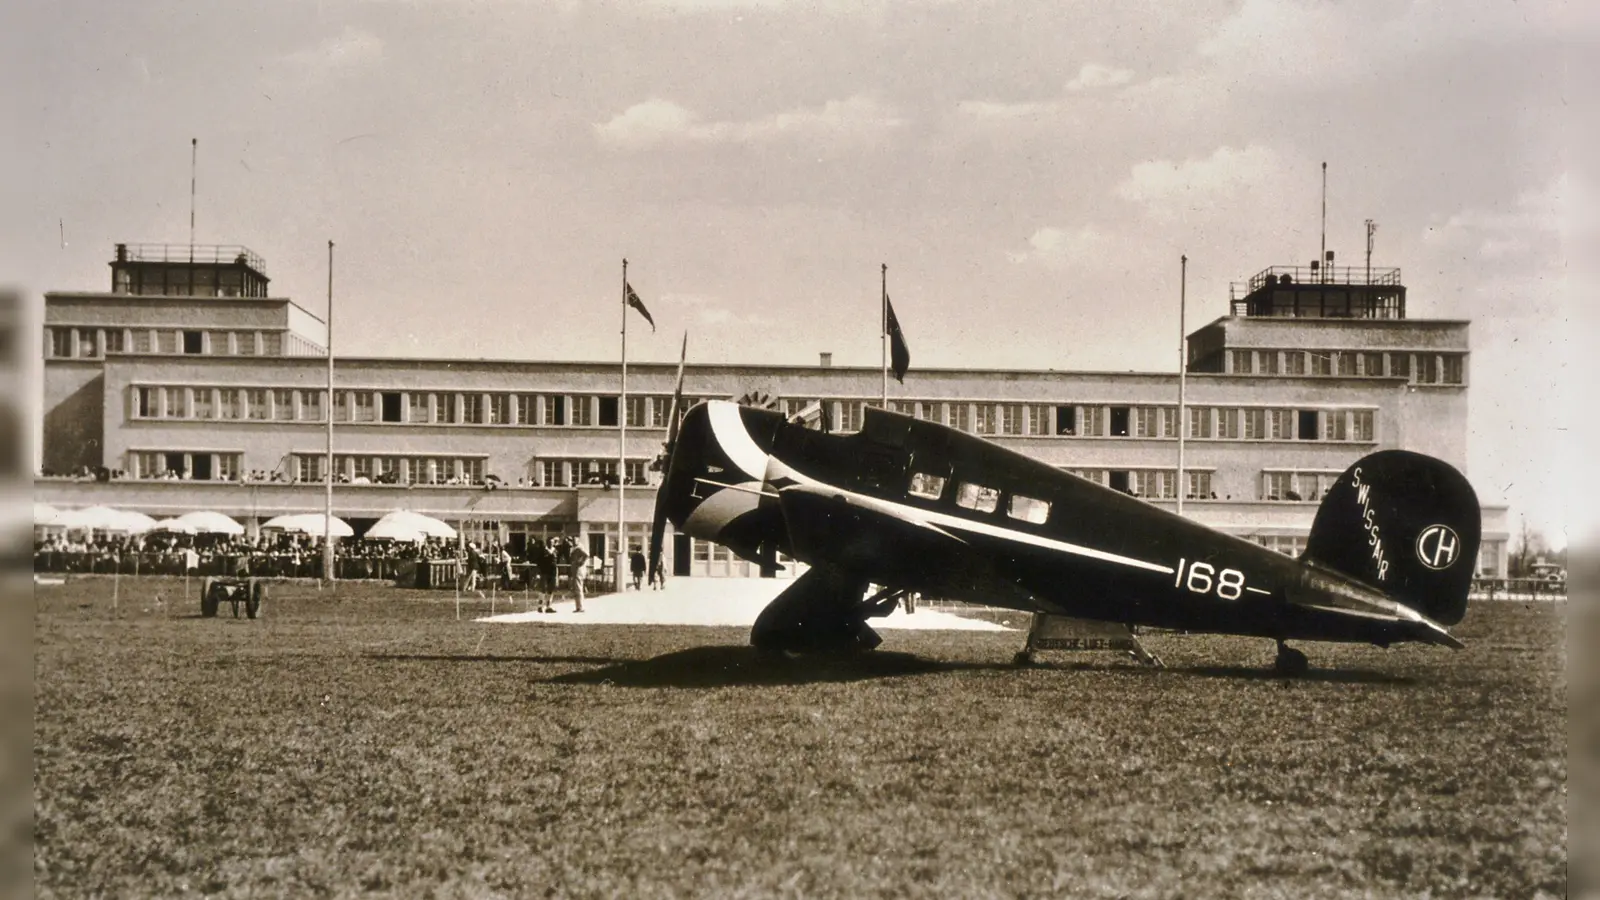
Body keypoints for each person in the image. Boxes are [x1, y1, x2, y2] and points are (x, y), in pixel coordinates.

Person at [566, 539, 589, 612]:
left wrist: (581, 562)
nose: (573, 541)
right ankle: (578, 606)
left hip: (578, 570)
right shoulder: (574, 548)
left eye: (574, 540)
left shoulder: (579, 548)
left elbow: (586, 555)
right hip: (575, 569)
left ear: (578, 540)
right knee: (576, 588)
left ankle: (580, 607)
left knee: (578, 588)